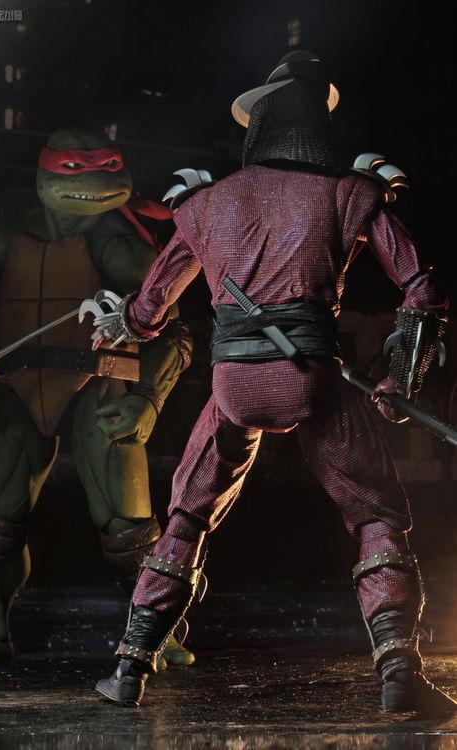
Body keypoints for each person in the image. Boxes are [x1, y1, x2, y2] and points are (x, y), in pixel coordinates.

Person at [91, 52, 455, 714]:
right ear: (318, 124)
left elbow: (148, 312)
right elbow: (423, 291)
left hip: (235, 384)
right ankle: (399, 671)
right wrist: (401, 376)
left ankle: (128, 668)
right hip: (313, 379)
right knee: (376, 516)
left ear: (258, 123)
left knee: (187, 518)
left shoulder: (204, 203)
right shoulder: (351, 192)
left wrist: (126, 322)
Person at [0, 129, 194, 670]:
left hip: (100, 384)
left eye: (106, 169)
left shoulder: (120, 246)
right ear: (44, 174)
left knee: (127, 522)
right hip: (17, 385)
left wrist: (149, 400)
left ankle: (160, 630)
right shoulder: (7, 235)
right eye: (74, 169)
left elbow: (177, 331)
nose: (91, 183)